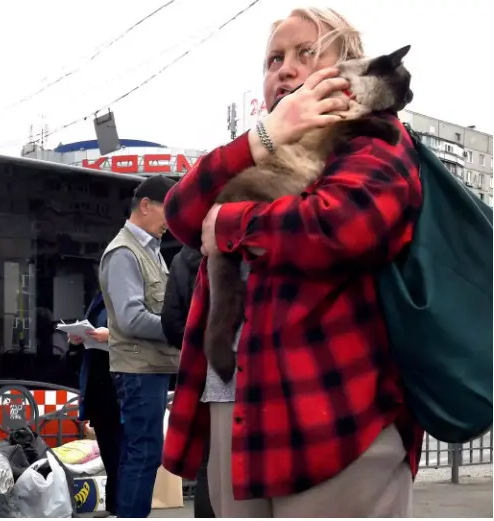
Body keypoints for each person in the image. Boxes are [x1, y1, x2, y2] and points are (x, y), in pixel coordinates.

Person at [161, 7, 424, 518]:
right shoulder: (261, 147)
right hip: (236, 405)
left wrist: (231, 225)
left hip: (334, 419)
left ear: (349, 68)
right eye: (273, 59)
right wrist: (265, 136)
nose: (284, 68)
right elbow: (180, 212)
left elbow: (339, 226)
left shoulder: (376, 140)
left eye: (307, 53)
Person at [99, 174, 178, 518]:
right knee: (143, 452)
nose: (172, 220)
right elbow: (131, 319)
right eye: (169, 210)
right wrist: (180, 328)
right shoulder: (123, 253)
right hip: (138, 369)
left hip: (151, 368)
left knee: (144, 452)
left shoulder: (150, 251)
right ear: (145, 206)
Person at [160, 245, 213, 519]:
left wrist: (194, 342)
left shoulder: (182, 259)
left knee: (208, 459)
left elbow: (170, 321)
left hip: (201, 371)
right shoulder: (242, 248)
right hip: (243, 366)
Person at [68, 290, 122, 517]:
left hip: (121, 386)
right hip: (99, 388)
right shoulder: (98, 298)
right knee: (111, 455)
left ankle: (121, 508)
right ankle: (114, 507)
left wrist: (111, 336)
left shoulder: (131, 294)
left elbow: (142, 343)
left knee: (122, 455)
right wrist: (76, 339)